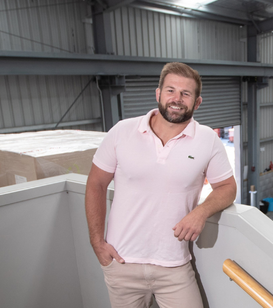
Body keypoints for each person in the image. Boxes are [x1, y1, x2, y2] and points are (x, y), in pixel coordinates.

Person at [85, 62, 237, 308]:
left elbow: (228, 187)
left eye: (186, 93)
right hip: (121, 262)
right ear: (158, 94)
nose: (177, 99)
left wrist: (201, 212)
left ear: (197, 102)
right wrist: (97, 243)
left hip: (174, 266)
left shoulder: (208, 140)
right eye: (170, 90)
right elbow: (96, 184)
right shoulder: (122, 132)